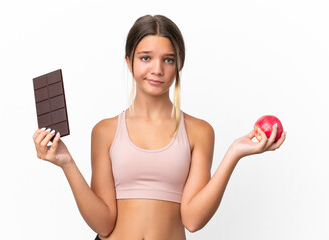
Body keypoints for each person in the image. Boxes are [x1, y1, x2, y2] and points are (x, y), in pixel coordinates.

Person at [32, 15, 286, 240]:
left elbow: (193, 220)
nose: (157, 69)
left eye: (168, 60)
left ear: (179, 65)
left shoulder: (199, 131)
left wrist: (234, 153)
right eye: (145, 58)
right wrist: (66, 162)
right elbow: (103, 224)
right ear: (129, 62)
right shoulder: (105, 131)